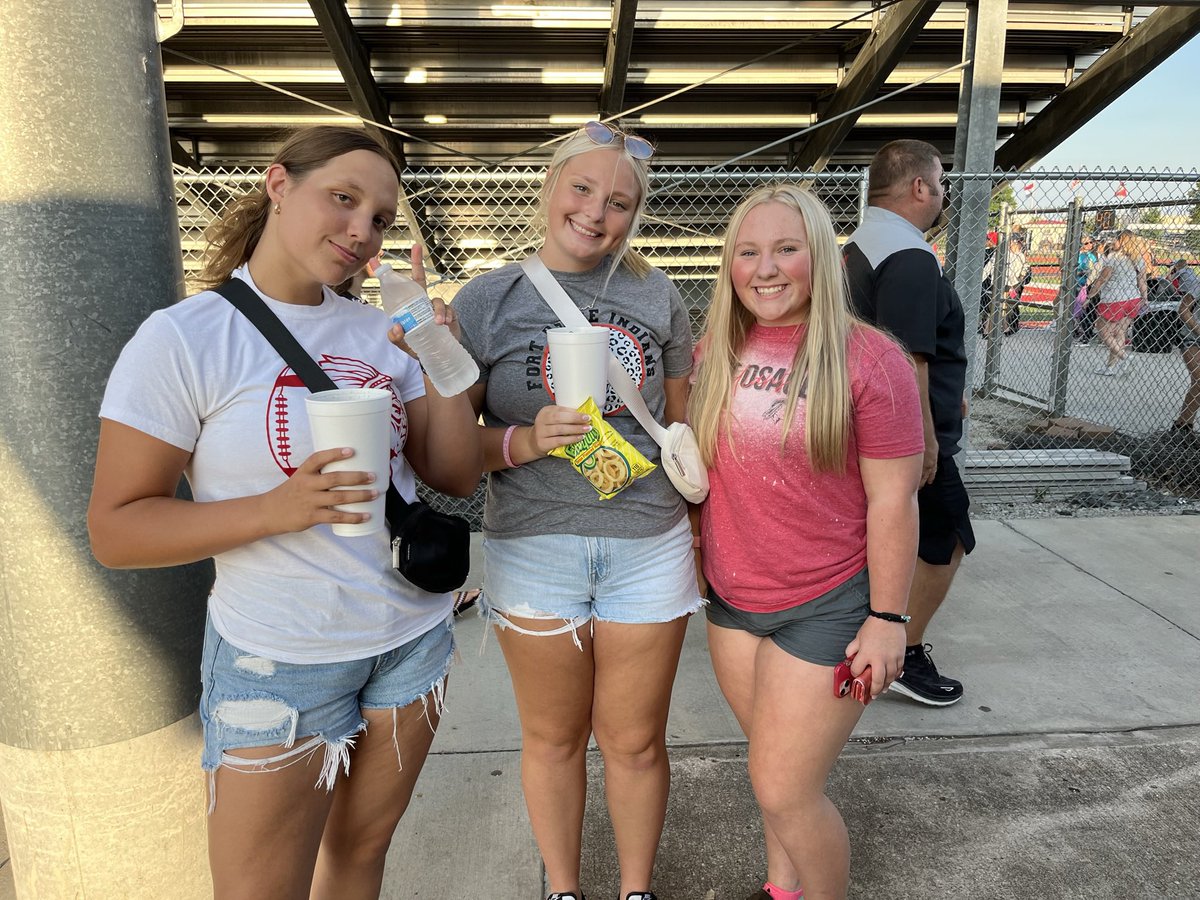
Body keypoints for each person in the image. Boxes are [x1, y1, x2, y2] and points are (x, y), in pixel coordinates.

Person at [87, 126, 483, 900]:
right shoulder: (185, 339)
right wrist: (276, 508)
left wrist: (439, 358)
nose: (362, 232)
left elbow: (454, 475)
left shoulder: (380, 332)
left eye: (380, 218)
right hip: (279, 657)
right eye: (344, 200)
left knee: (359, 860)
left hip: (410, 640)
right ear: (277, 184)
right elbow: (117, 528)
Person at [452, 120, 699, 900]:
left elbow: (681, 428)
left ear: (636, 214)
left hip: (648, 542)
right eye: (584, 189)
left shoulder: (656, 294)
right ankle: (562, 889)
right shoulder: (489, 299)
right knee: (554, 739)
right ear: (551, 189)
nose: (597, 213)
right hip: (534, 544)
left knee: (634, 743)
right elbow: (455, 450)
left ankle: (636, 891)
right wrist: (522, 440)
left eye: (621, 202)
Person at [690, 183, 923, 900]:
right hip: (734, 603)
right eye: (748, 252)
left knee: (785, 787)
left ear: (818, 257)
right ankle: (781, 889)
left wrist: (889, 621)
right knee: (772, 770)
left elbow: (894, 498)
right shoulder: (712, 353)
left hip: (832, 610)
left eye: (786, 249)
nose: (766, 268)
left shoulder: (871, 359)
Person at [843, 139, 974, 707]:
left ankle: (872, 635)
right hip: (906, 435)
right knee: (949, 540)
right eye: (941, 183)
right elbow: (908, 358)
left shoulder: (857, 247)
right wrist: (924, 442)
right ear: (919, 187)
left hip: (868, 425)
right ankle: (905, 650)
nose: (943, 193)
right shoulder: (910, 255)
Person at [1089, 229, 1147, 376]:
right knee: (1120, 332)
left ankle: (1124, 357)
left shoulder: (1114, 258)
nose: (1113, 242)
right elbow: (1142, 281)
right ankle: (1111, 367)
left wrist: (1091, 294)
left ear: (1122, 242)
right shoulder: (1138, 259)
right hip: (1133, 298)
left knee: (1103, 331)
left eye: (1116, 239)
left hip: (1114, 299)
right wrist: (1144, 297)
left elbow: (1102, 279)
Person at [1169, 258, 1200, 435]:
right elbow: (1183, 310)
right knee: (1199, 380)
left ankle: (1183, 426)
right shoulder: (1197, 285)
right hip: (1192, 336)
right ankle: (1182, 428)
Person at [1073, 234, 1099, 343]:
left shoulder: (1092, 256)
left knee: (1087, 308)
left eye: (1091, 242)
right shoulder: (1079, 255)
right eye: (1086, 243)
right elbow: (1075, 269)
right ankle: (1077, 329)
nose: (1089, 245)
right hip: (1078, 283)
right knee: (1077, 307)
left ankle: (1086, 330)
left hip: (1088, 285)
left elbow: (1094, 270)